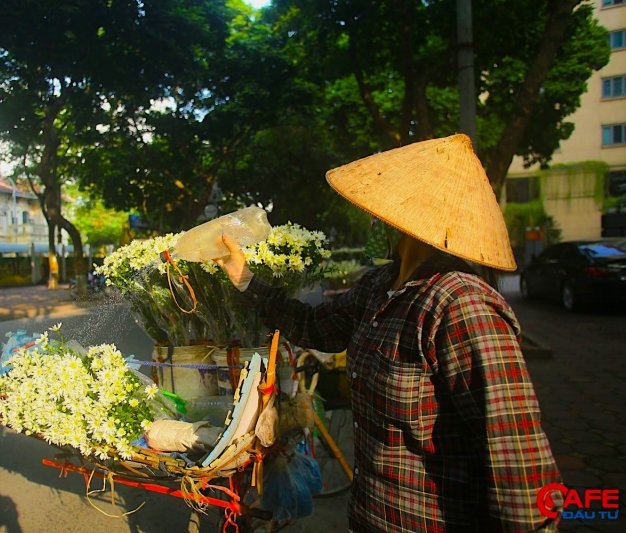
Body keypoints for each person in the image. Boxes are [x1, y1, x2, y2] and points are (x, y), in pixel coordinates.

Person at [216, 134, 562, 532]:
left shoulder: (461, 304)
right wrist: (245, 280)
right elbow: (315, 327)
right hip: (371, 516)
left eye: (379, 212)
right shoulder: (379, 285)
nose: (373, 219)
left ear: (407, 219)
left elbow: (515, 453)